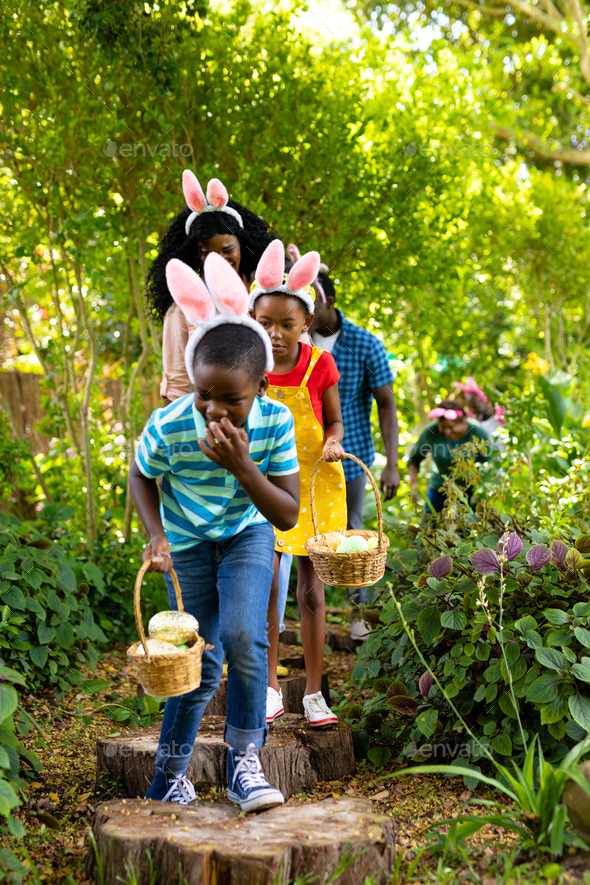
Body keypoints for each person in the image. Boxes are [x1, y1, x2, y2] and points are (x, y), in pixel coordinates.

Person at [129, 252, 300, 812]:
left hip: (248, 533)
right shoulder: (172, 423)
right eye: (206, 394)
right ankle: (171, 772)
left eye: (234, 399)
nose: (215, 410)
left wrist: (243, 466)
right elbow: (140, 475)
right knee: (197, 656)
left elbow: (288, 514)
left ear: (260, 387)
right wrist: (156, 536)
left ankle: (244, 763)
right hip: (187, 543)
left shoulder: (275, 423)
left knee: (247, 640)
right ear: (193, 381)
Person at [250, 240, 346, 727]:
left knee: (310, 592)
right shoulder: (250, 367)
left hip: (313, 485)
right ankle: (268, 688)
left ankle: (312, 693)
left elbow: (334, 422)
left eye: (287, 324)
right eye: (265, 324)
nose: (276, 334)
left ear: (305, 324)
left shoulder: (318, 365)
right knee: (266, 588)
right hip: (268, 488)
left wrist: (332, 442)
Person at [310, 273, 399, 639]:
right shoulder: (291, 341)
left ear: (328, 299)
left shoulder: (364, 344)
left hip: (351, 454)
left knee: (357, 534)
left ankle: (360, 618)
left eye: (309, 297)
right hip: (298, 460)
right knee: (307, 537)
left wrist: (392, 464)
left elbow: (387, 404)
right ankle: (307, 616)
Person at [146, 170, 279, 404]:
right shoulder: (182, 310)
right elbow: (177, 387)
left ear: (243, 247)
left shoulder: (267, 297)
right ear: (194, 254)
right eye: (207, 253)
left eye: (227, 250)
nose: (219, 260)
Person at [407, 399, 492, 514]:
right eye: (443, 427)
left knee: (470, 527)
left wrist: (481, 491)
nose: (446, 431)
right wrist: (414, 485)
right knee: (430, 526)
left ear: (463, 421)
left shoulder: (477, 432)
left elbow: (488, 464)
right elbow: (414, 458)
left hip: (470, 491)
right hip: (440, 489)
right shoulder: (431, 431)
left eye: (451, 427)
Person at [454, 376, 506, 451]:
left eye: (475, 406)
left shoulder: (503, 414)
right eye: (470, 408)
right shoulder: (473, 424)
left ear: (487, 399)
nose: (472, 411)